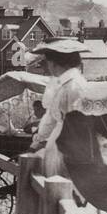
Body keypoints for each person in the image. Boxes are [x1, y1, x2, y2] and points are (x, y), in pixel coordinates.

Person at [25, 39, 89, 176]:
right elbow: (50, 118)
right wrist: (36, 143)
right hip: (58, 143)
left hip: (67, 149)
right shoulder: (62, 84)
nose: (48, 66)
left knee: (57, 186)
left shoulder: (74, 86)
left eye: (48, 61)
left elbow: (75, 123)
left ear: (54, 63)